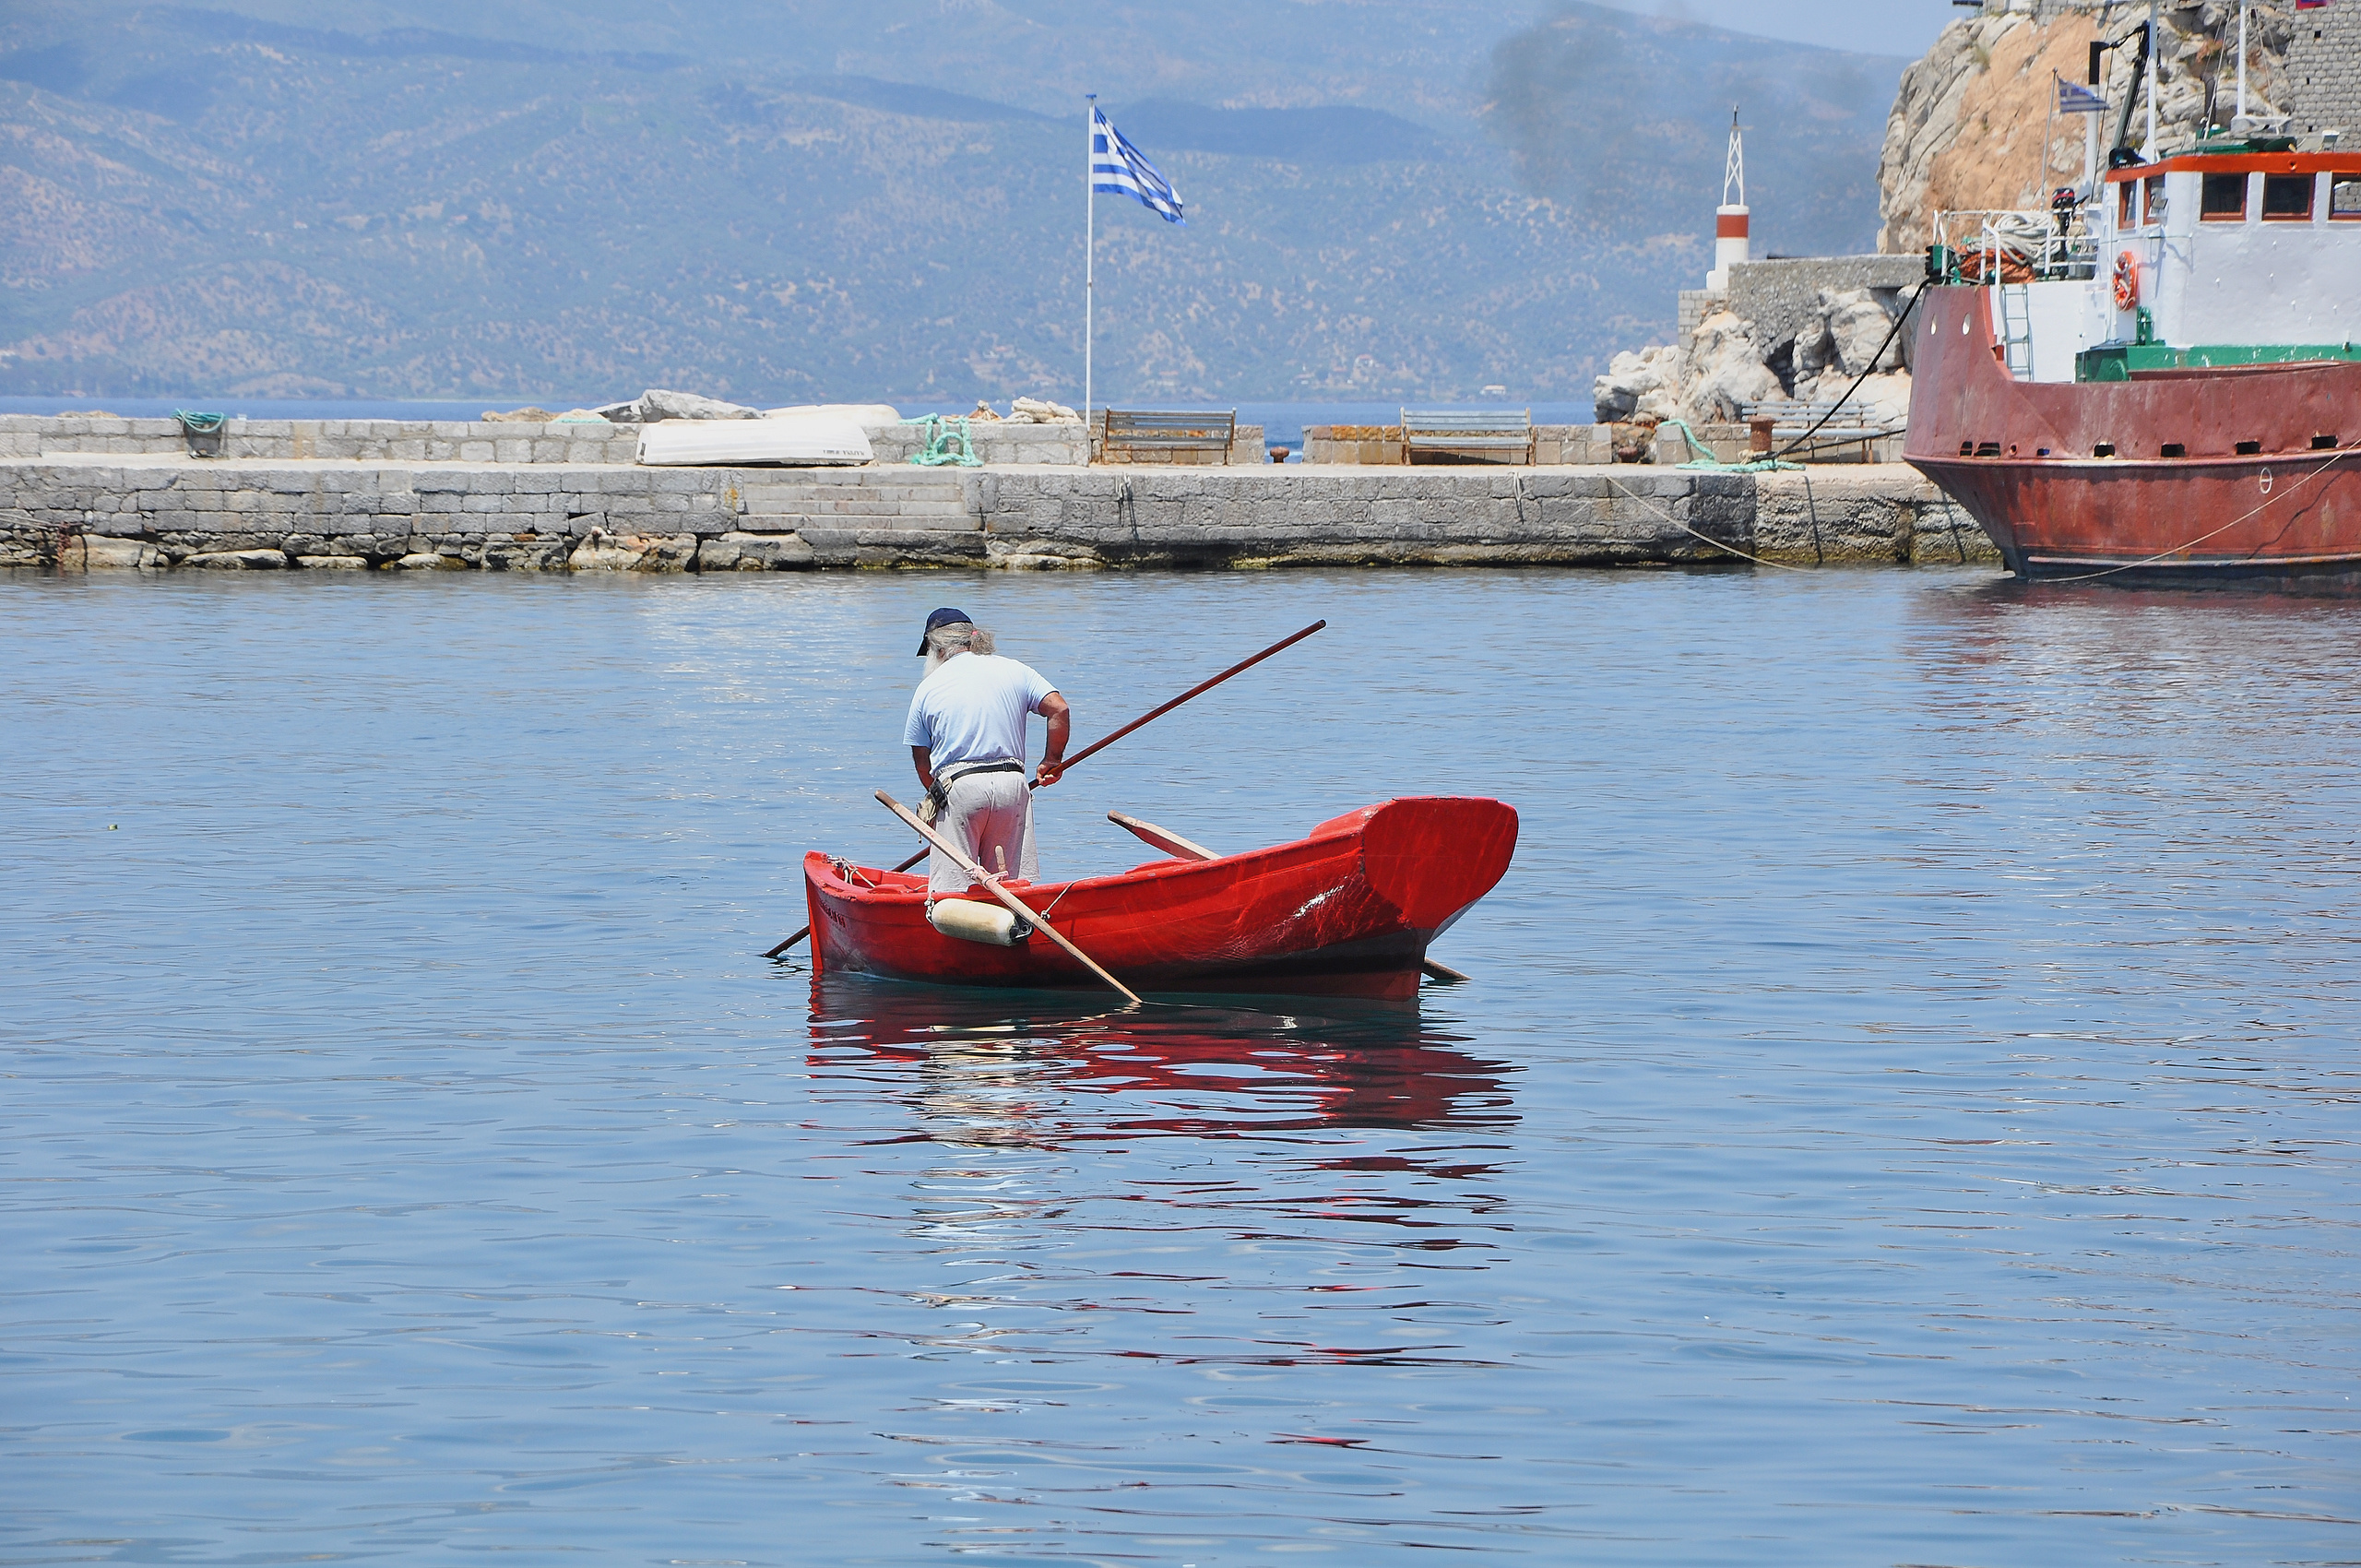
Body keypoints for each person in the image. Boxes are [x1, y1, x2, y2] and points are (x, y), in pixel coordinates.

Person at [904, 607, 1070, 893]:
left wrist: (939, 799)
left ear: (937, 648)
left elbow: (922, 762)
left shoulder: (928, 688)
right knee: (1011, 889)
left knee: (952, 892)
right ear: (973, 640)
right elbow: (1059, 709)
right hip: (1013, 786)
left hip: (959, 787)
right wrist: (1051, 761)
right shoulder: (1016, 669)